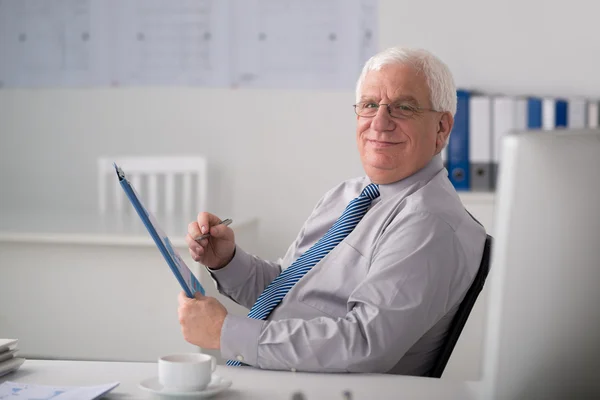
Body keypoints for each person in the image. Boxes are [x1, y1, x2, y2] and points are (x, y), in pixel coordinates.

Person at [179, 46, 486, 375]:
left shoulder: (429, 222)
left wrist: (226, 333)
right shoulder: (349, 194)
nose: (380, 123)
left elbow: (363, 344)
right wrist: (226, 261)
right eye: (369, 105)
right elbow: (287, 292)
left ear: (442, 128)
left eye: (404, 108)